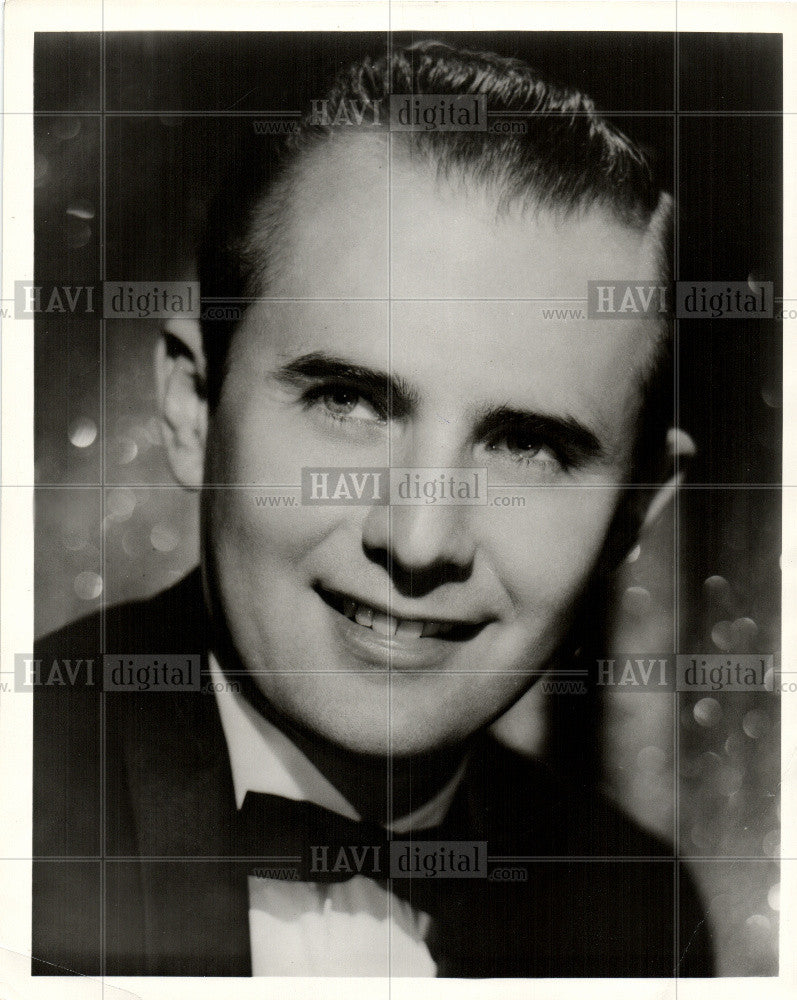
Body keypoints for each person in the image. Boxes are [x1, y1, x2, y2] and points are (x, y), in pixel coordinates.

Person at [32, 40, 712, 977]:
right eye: (348, 403)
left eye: (526, 447)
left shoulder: (636, 914)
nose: (420, 537)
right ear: (193, 409)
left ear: (633, 518)